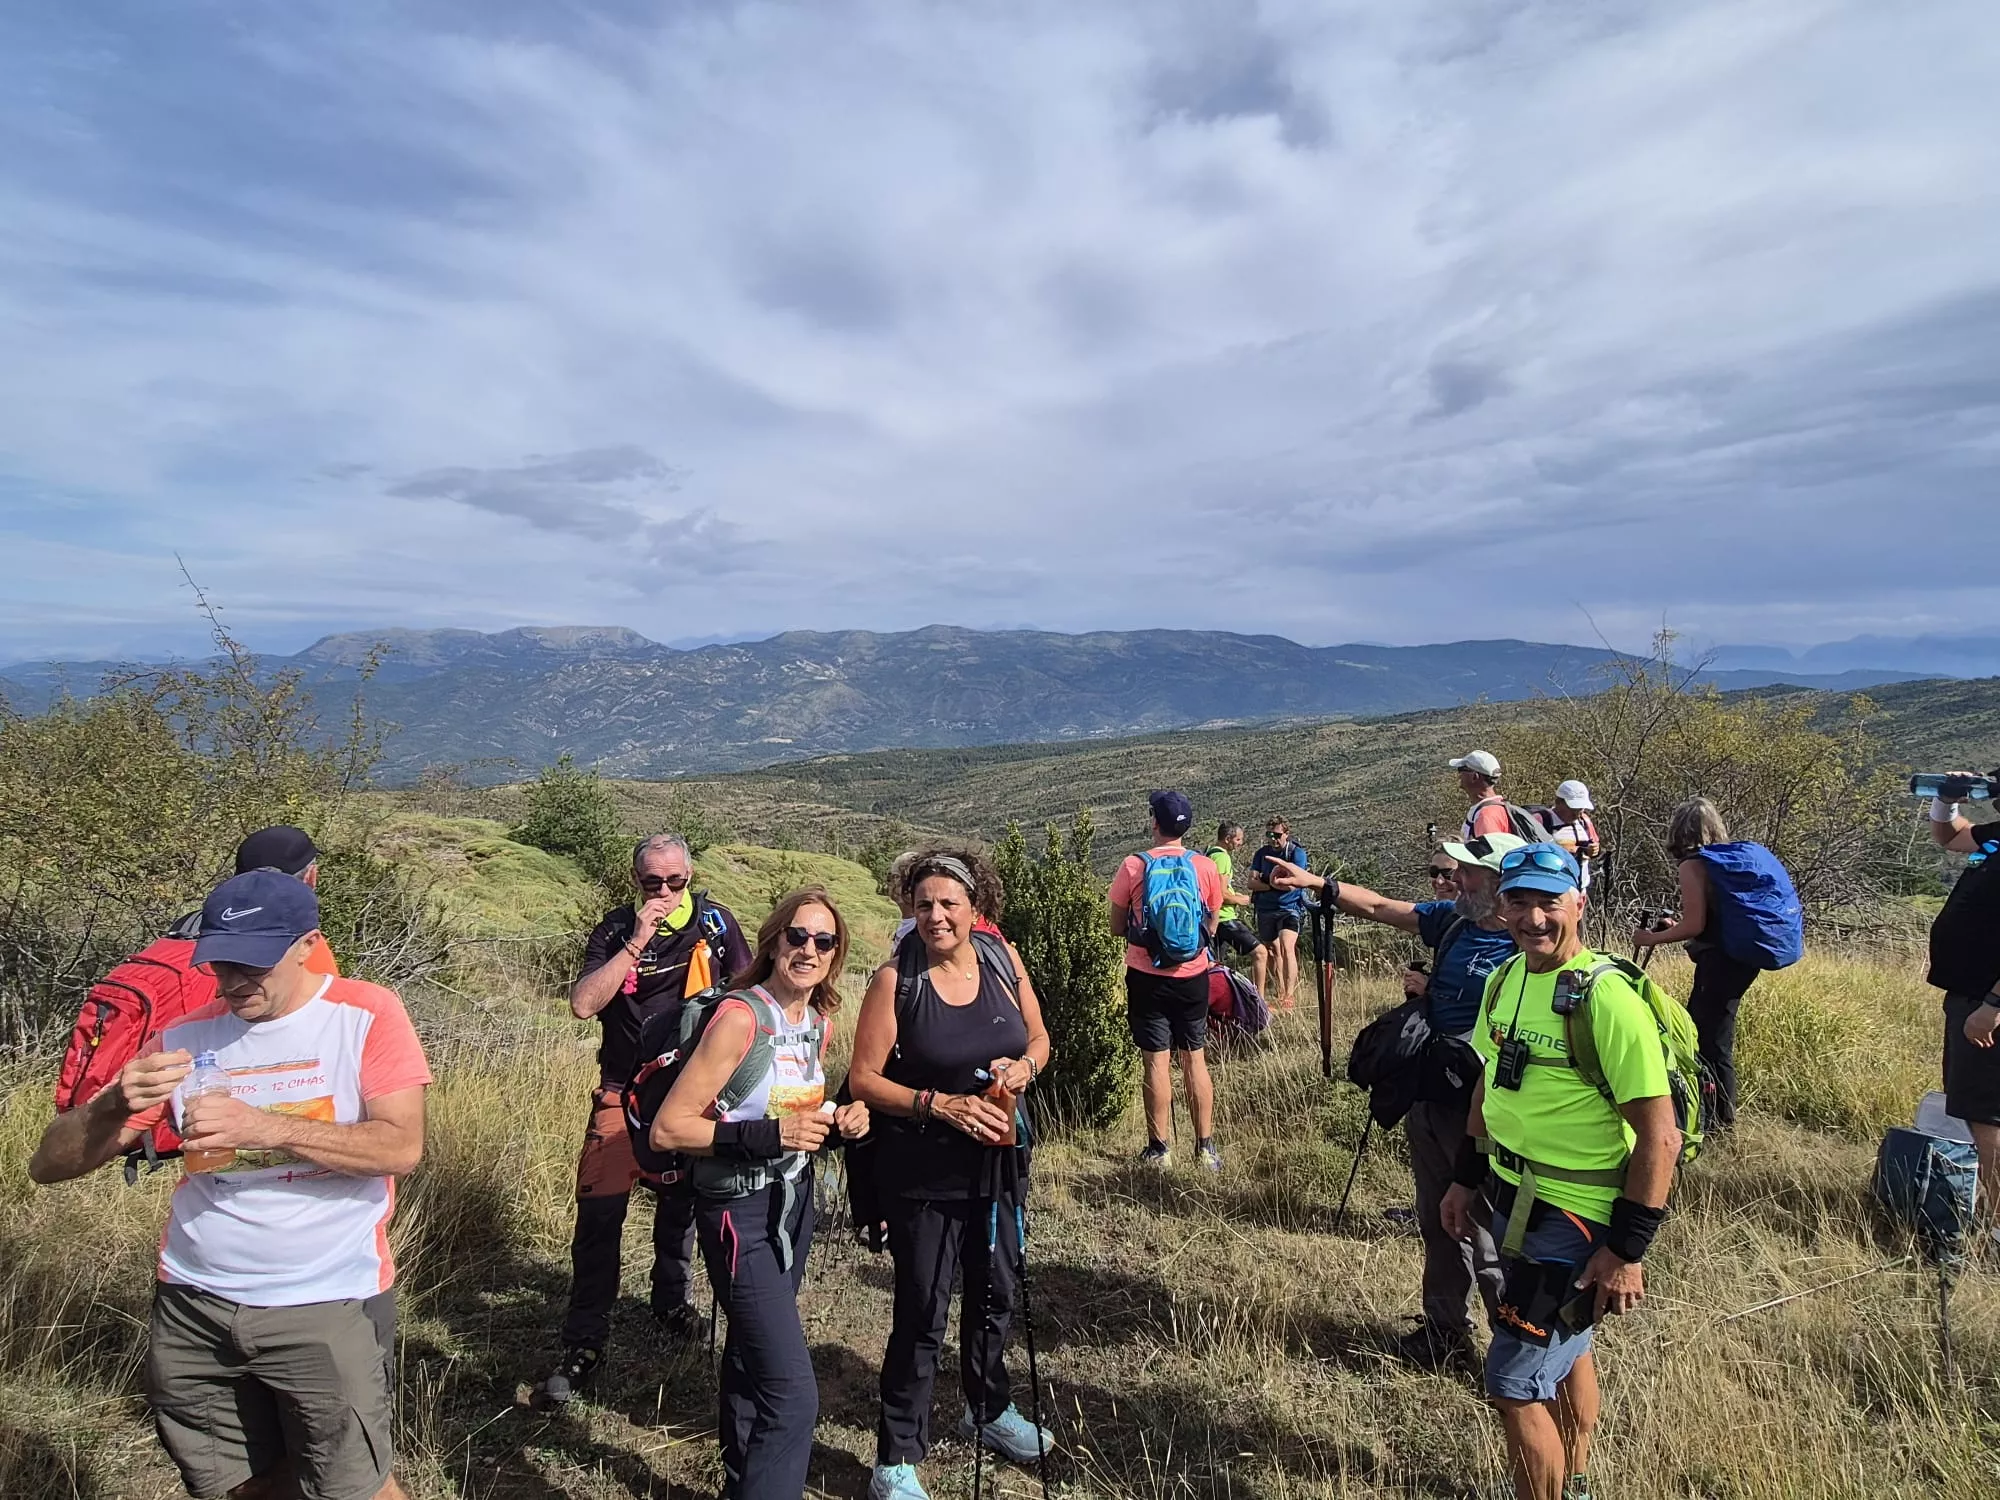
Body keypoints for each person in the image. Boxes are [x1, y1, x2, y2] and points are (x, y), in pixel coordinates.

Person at [29, 870, 431, 1500]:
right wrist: (110, 1105)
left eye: (253, 963)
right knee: (234, 1484)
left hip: (326, 1299)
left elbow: (400, 1147)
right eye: (218, 963)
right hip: (194, 1302)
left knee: (351, 1485)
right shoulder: (186, 1035)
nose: (234, 980)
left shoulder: (364, 1014)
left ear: (307, 944)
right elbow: (48, 1166)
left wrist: (262, 1127)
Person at [1442, 843, 1680, 1500]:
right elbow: (1490, 1088)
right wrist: (1465, 1178)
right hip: (1516, 1195)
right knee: (1568, 1344)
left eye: (1550, 901)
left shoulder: (1606, 1000)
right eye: (1520, 901)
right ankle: (1573, 1479)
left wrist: (1626, 1250)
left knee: (1511, 1382)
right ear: (1502, 905)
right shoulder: (1507, 979)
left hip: (1578, 1214)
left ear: (1579, 902)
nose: (1534, 917)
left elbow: (1661, 1136)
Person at [1268, 833, 1524, 1368]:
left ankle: (1516, 1349)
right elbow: (1383, 908)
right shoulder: (1453, 921)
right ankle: (1444, 1332)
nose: (1458, 879)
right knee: (1437, 1216)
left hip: (1487, 1107)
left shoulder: (1524, 949)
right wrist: (1321, 885)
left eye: (1471, 873)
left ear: (1501, 885)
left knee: (1485, 1228)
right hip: (1431, 1093)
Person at [650, 886, 871, 1500]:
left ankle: (739, 1482)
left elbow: (791, 1111)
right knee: (794, 1396)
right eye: (797, 936)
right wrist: (772, 1135)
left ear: (835, 954)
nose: (808, 949)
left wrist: (839, 1119)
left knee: (752, 1357)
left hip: (793, 1205)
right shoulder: (740, 1018)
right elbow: (672, 1127)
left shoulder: (817, 1023)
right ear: (773, 941)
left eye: (823, 941)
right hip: (736, 1214)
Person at [848, 848, 1055, 1500]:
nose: (936, 916)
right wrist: (939, 1105)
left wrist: (1025, 1069)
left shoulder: (1001, 960)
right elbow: (864, 1079)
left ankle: (987, 1409)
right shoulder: (896, 980)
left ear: (975, 909)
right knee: (922, 1310)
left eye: (949, 904)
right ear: (910, 909)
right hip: (922, 1174)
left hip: (998, 1166)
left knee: (996, 1293)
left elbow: (1039, 1038)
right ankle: (895, 1458)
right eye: (924, 905)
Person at [538, 833, 753, 1405]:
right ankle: (584, 1340)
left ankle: (670, 1302)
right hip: (620, 1092)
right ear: (636, 881)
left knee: (681, 1205)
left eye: (675, 881)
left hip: (685, 1091)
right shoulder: (614, 930)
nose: (663, 891)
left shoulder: (714, 923)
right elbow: (584, 1004)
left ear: (690, 874)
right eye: (651, 881)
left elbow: (752, 991)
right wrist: (637, 940)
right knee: (600, 1217)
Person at [1108, 792, 1225, 1170]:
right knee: (1195, 1059)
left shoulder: (1133, 866)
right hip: (1193, 976)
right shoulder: (1205, 867)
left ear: (1154, 823)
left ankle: (1159, 1150)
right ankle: (1205, 1148)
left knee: (1156, 1063)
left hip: (1146, 976)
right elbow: (1211, 921)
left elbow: (1115, 926)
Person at [1631, 798, 1754, 1131]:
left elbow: (1696, 924)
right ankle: (1715, 1115)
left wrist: (1650, 939)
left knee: (1706, 1039)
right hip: (1740, 960)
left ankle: (1716, 1121)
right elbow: (1712, 925)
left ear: (1679, 831)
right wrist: (1681, 932)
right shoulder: (1726, 860)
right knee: (1713, 1034)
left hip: (1723, 964)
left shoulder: (1693, 865)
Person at [1924, 778, 2000, 1221]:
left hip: (1986, 1004)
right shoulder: (1997, 836)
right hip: (1971, 995)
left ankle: (1995, 1227)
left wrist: (1992, 1005)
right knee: (1978, 1110)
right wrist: (1946, 800)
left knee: (1987, 1116)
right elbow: (1950, 837)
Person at [1247, 816, 1309, 1008]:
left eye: (1277, 835)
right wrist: (1275, 883)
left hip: (1289, 908)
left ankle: (1289, 996)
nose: (1273, 839)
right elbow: (1251, 883)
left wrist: (1265, 881)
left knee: (1287, 947)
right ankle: (1280, 990)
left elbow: (1294, 884)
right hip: (1266, 909)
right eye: (1269, 835)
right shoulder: (1261, 854)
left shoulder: (1296, 853)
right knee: (1273, 951)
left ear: (1286, 834)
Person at [1207, 821, 1262, 962]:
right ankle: (1257, 985)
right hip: (1225, 917)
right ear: (1227, 839)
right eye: (1238, 839)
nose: (1240, 843)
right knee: (1260, 953)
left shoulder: (1210, 854)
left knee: (1215, 963)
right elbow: (1221, 894)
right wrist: (1241, 900)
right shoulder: (1222, 857)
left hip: (1213, 917)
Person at [1545, 783, 1602, 889]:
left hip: (1580, 887)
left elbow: (1595, 847)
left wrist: (1594, 850)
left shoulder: (1584, 820)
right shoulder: (1542, 819)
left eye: (1581, 808)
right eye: (1574, 808)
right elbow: (1532, 849)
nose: (1577, 814)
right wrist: (1577, 849)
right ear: (1558, 802)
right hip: (1550, 887)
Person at [1452, 751, 1515, 841]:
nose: (1459, 775)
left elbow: (1492, 853)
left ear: (1475, 777)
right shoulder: (1499, 807)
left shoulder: (1486, 816)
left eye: (1461, 769)